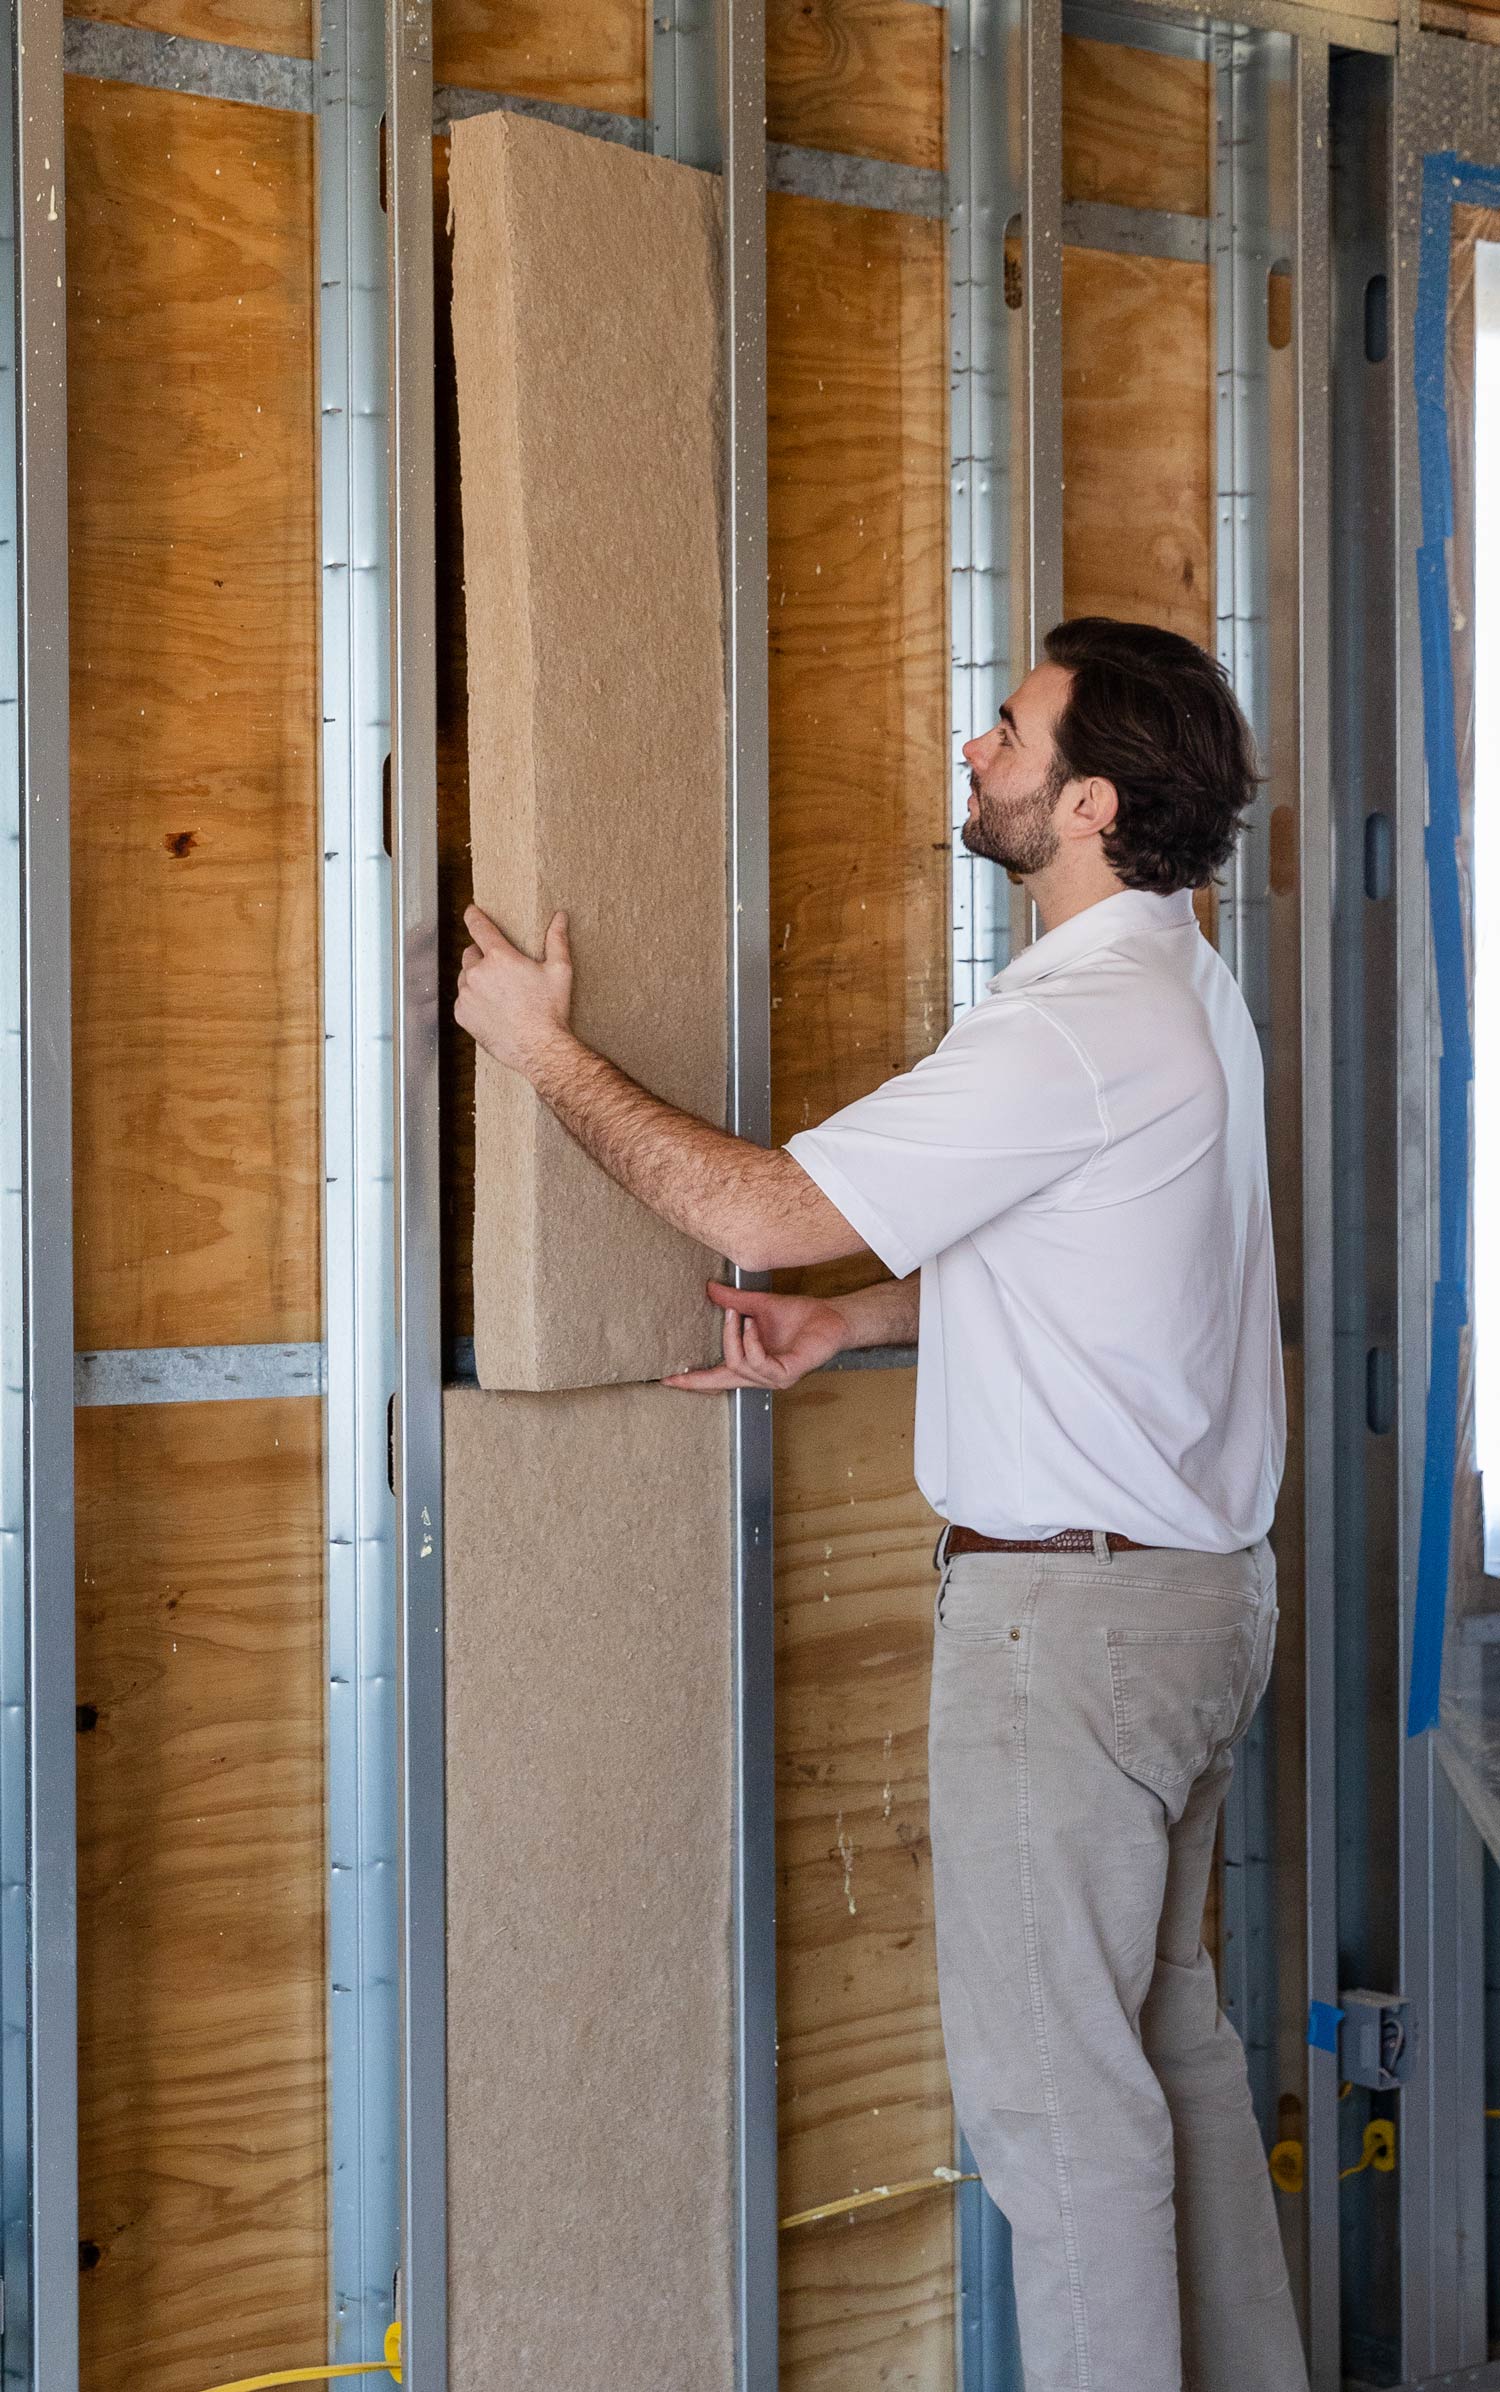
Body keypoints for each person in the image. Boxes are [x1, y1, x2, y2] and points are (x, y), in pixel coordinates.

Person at [453, 613, 1307, 2392]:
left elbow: (755, 1207)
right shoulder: (1182, 980)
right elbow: (1083, 1253)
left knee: (1060, 2118)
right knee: (1171, 2054)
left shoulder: (1072, 1021)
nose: (970, 750)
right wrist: (856, 1315)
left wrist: (541, 1054)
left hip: (1066, 1631)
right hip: (1191, 1598)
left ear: (1085, 804)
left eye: (1007, 732)